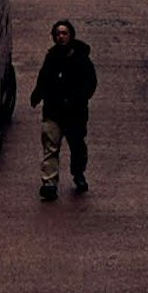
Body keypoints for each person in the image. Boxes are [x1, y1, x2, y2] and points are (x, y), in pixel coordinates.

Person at [35, 17, 97, 201]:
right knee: (50, 146)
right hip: (53, 110)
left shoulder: (82, 58)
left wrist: (77, 99)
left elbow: (90, 83)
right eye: (57, 34)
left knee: (77, 147)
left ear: (71, 35)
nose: (60, 37)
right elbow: (44, 78)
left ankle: (78, 174)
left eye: (64, 33)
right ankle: (49, 183)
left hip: (75, 112)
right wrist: (37, 93)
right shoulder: (51, 57)